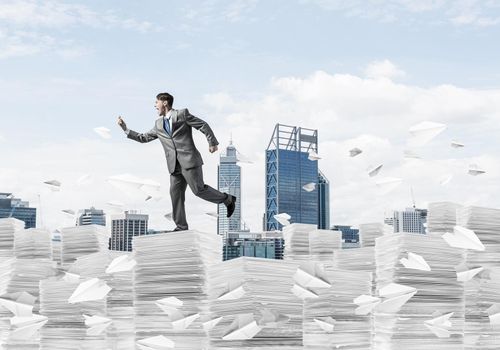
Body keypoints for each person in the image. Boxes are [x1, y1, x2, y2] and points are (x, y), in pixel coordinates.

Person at [117, 92, 236, 231]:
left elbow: (202, 125)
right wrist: (125, 129)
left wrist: (212, 142)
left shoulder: (182, 114)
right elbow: (143, 138)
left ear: (165, 102)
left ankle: (227, 199)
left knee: (198, 190)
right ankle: (181, 226)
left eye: (156, 102)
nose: (155, 105)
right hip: (174, 166)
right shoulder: (158, 124)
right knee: (175, 195)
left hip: (189, 160)